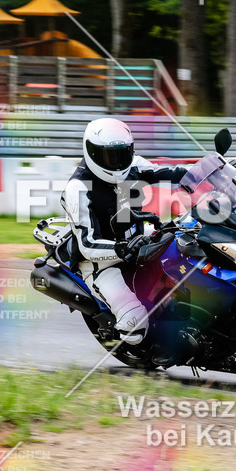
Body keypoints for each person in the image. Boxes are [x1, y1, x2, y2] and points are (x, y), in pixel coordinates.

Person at [60, 118, 189, 345]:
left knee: (189, 245)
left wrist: (218, 171)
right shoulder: (78, 188)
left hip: (138, 241)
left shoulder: (134, 165)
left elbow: (173, 172)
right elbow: (87, 244)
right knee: (135, 323)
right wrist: (121, 249)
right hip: (101, 263)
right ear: (92, 152)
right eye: (109, 156)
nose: (117, 163)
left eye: (122, 154)